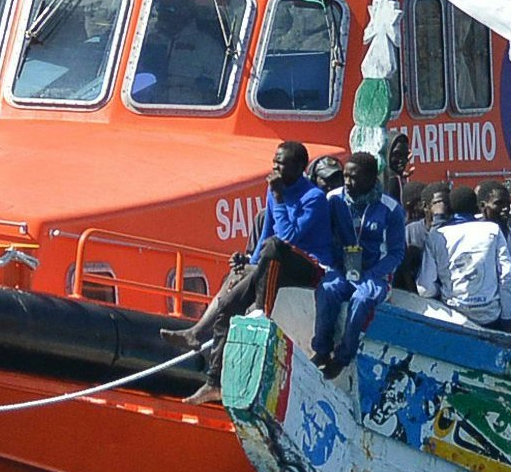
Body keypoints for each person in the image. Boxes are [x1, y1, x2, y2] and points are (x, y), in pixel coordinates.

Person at [169, 140, 332, 355]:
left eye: (281, 164)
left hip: (308, 267)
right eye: (274, 162)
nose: (275, 168)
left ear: (300, 167)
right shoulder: (275, 190)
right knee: (238, 273)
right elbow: (267, 229)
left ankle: (229, 321)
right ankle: (197, 331)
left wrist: (279, 198)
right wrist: (251, 263)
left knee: (269, 252)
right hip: (279, 261)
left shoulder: (314, 198)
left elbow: (287, 237)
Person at [311, 153, 405, 377]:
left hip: (375, 275)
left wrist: (372, 273)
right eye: (345, 176)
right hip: (342, 270)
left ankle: (343, 357)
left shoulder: (391, 209)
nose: (347, 182)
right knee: (327, 290)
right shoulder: (334, 200)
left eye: (354, 178)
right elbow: (323, 237)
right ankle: (322, 350)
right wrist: (332, 264)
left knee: (362, 300)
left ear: (372, 178)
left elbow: (396, 253)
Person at [414, 182, 511, 325]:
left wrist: (443, 288)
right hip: (490, 316)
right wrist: (507, 318)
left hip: (454, 317)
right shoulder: (492, 230)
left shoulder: (437, 236)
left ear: (451, 208)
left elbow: (425, 289)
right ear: (476, 206)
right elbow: (507, 277)